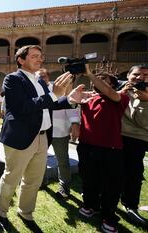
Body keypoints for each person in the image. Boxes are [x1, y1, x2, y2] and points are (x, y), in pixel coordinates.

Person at [0, 45, 84, 232]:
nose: (39, 59)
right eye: (34, 56)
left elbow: (49, 105)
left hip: (43, 137)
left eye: (40, 56)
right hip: (21, 137)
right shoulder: (12, 79)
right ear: (21, 59)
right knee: (11, 178)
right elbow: (22, 107)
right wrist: (54, 94)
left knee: (33, 180)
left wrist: (69, 99)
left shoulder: (40, 81)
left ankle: (25, 212)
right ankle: (1, 213)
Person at [77, 63, 129, 233]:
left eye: (103, 79)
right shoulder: (88, 97)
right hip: (86, 146)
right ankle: (91, 206)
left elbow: (108, 92)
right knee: (89, 178)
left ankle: (109, 216)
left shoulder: (120, 96)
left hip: (110, 149)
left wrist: (90, 74)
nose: (96, 82)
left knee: (110, 184)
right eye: (96, 80)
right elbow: (70, 99)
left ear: (113, 83)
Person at [37, 68, 80, 198]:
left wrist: (75, 124)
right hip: (42, 131)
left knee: (62, 160)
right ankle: (41, 182)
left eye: (43, 76)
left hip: (59, 131)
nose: (41, 79)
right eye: (38, 77)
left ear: (48, 77)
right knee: (40, 159)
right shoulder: (36, 90)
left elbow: (70, 105)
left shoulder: (59, 89)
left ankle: (64, 187)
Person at [119, 64, 148, 227]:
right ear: (128, 75)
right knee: (112, 171)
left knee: (134, 174)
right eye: (136, 74)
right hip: (115, 136)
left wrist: (144, 100)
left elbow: (143, 123)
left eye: (145, 75)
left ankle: (130, 205)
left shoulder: (146, 94)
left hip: (136, 139)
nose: (140, 77)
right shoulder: (119, 89)